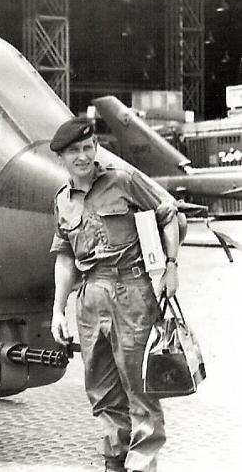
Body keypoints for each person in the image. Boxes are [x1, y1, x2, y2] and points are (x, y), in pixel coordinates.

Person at [48, 116, 180, 472]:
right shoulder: (62, 200)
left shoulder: (122, 180)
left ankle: (142, 466)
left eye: (88, 147)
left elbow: (168, 213)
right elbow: (65, 254)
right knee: (103, 391)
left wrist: (170, 265)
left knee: (140, 389)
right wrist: (58, 311)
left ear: (96, 147)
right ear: (61, 157)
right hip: (90, 297)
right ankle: (115, 462)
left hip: (131, 291)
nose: (82, 156)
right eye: (74, 150)